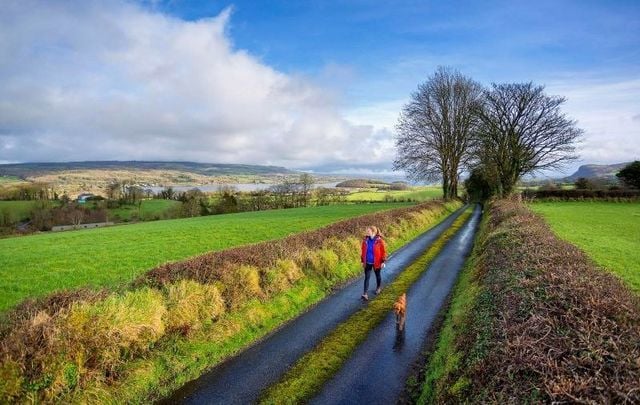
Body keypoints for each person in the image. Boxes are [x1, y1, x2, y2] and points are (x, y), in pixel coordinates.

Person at [360, 225, 387, 300]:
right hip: (367, 262)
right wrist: (362, 261)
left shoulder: (379, 241)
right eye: (367, 231)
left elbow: (383, 252)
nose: (367, 232)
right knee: (367, 277)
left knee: (377, 275)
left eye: (368, 231)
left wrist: (383, 261)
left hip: (377, 263)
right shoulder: (365, 241)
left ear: (373, 232)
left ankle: (378, 288)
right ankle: (365, 294)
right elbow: (363, 252)